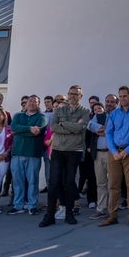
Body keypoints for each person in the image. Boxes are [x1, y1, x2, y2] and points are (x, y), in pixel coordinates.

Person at [39, 85, 90, 227]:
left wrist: (64, 124)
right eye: (71, 93)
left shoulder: (85, 111)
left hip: (74, 151)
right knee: (54, 182)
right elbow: (54, 127)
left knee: (69, 183)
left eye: (77, 94)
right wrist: (72, 126)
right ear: (68, 95)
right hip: (58, 150)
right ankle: (50, 215)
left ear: (81, 96)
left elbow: (81, 128)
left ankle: (69, 213)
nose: (73, 96)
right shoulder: (60, 109)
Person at [99, 86, 129, 228]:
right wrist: (113, 151)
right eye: (120, 96)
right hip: (114, 153)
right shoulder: (114, 113)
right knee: (114, 185)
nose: (122, 99)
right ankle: (113, 215)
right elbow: (109, 132)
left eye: (125, 96)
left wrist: (126, 151)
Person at [9, 95, 47, 215]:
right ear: (26, 103)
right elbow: (14, 127)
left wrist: (20, 131)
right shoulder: (18, 116)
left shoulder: (42, 117)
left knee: (32, 181)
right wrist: (30, 129)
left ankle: (32, 205)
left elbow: (38, 132)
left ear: (38, 104)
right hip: (17, 154)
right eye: (30, 101)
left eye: (35, 102)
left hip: (33, 154)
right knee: (18, 181)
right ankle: (18, 205)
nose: (32, 103)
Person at [87, 102, 110, 220]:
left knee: (112, 183)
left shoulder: (113, 115)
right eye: (108, 102)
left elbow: (111, 130)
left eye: (112, 102)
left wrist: (105, 130)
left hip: (111, 153)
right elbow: (91, 126)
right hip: (99, 153)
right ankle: (101, 209)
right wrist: (100, 130)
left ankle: (112, 210)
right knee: (101, 183)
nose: (109, 104)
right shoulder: (97, 116)